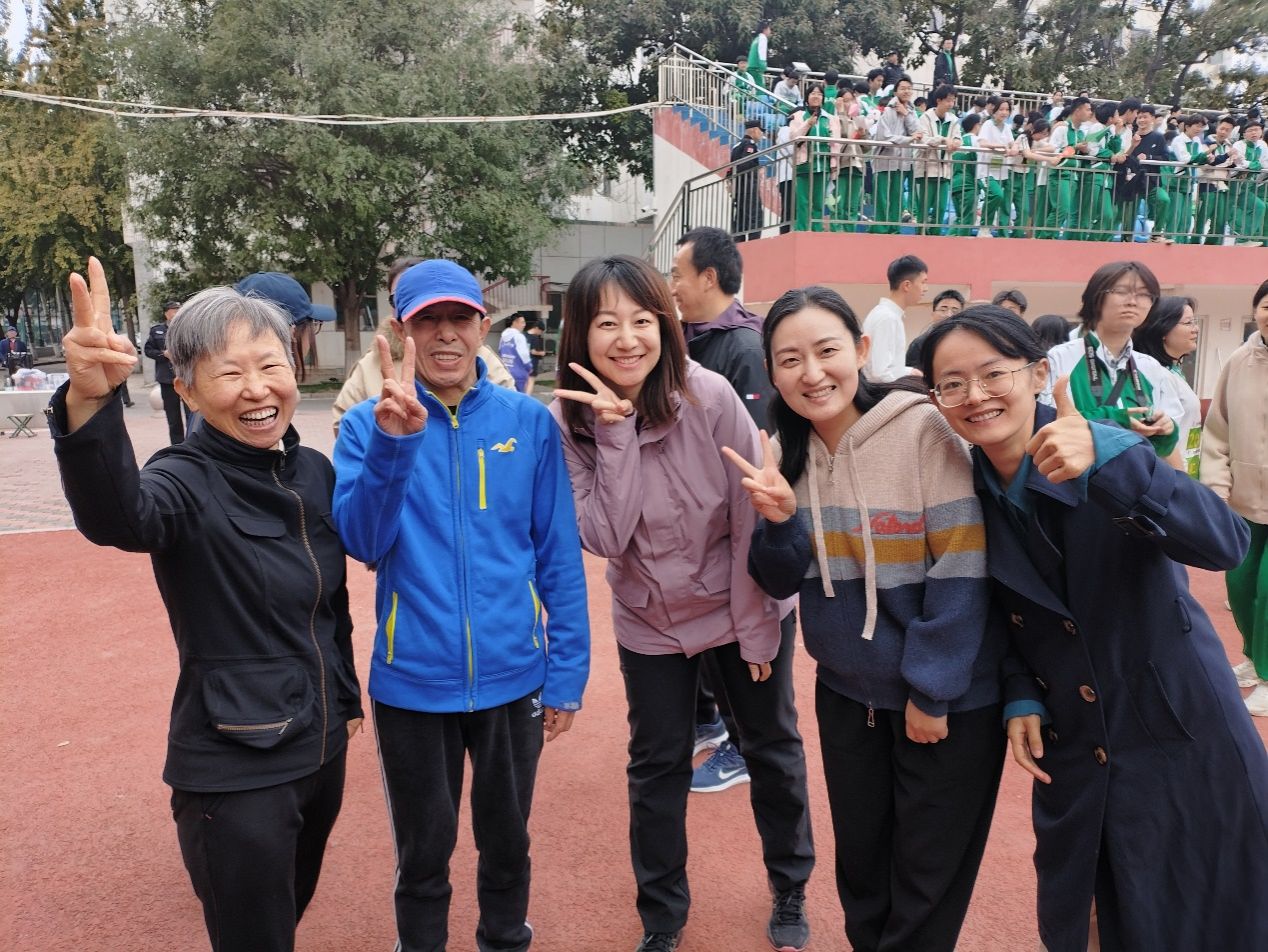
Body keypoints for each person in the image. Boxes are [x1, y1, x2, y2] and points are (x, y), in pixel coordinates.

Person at [918, 305, 1268, 952]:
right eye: (953, 384)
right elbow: (1001, 608)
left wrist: (1112, 461)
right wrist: (1020, 690)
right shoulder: (965, 489)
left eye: (993, 373)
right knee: (1089, 911)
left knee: (1209, 912)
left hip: (1178, 726)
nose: (976, 395)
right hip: (1076, 740)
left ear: (1038, 374)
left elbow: (1226, 543)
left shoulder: (1104, 449)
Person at [52, 258, 364, 952]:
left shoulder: (311, 471)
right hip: (236, 768)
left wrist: (345, 702)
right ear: (187, 390)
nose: (257, 389)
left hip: (320, 750)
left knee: (286, 917)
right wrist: (90, 403)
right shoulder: (185, 479)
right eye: (229, 373)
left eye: (270, 364)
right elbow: (120, 517)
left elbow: (330, 606)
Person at [550, 255, 814, 952]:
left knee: (772, 748)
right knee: (656, 767)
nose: (627, 339)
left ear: (666, 326)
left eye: (642, 319)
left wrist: (755, 631)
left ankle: (791, 883)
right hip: (651, 620)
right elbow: (605, 536)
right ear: (580, 334)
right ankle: (662, 915)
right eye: (606, 323)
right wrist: (614, 434)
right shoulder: (569, 422)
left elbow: (749, 520)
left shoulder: (710, 395)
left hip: (739, 604)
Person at [733, 286, 1005, 952]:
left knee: (926, 881)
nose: (812, 373)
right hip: (847, 697)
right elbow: (777, 580)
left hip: (942, 700)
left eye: (827, 350)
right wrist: (778, 523)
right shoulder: (784, 454)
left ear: (859, 350)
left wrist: (932, 691)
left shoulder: (923, 429)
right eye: (790, 359)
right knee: (862, 871)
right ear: (772, 372)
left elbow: (963, 563)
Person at [332, 258, 590, 952]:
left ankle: (505, 939)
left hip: (514, 676)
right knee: (424, 851)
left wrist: (566, 673)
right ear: (403, 330)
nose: (446, 334)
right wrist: (395, 445)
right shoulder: (366, 428)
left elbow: (557, 555)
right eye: (429, 321)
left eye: (459, 318)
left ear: (483, 324)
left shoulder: (527, 423)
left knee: (507, 840)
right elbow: (362, 541)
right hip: (413, 681)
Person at [670, 228, 809, 796]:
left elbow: (755, 449)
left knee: (749, 637)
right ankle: (711, 720)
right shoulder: (687, 340)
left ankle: (741, 743)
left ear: (709, 277)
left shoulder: (744, 348)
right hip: (696, 524)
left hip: (739, 520)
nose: (672, 286)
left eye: (677, 274)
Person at [331, 256, 514, 434]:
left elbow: (511, 418)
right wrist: (387, 437)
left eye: (460, 317)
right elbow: (346, 428)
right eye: (398, 298)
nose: (447, 335)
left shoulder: (482, 359)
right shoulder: (370, 366)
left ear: (482, 330)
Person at [1203, 279, 1268, 714]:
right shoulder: (1239, 361)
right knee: (1240, 587)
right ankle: (1252, 657)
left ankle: (1267, 674)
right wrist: (1216, 486)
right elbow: (1216, 430)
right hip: (1246, 501)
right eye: (1266, 305)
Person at [1043, 261, 1182, 459]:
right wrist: (1116, 420)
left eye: (1144, 294)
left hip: (1137, 477)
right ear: (1096, 297)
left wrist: (1167, 430)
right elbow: (1047, 425)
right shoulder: (1060, 359)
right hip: (1077, 476)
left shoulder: (1151, 368)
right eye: (1121, 291)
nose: (1133, 301)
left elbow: (1164, 450)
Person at [1132, 295, 1202, 475]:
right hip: (1173, 478)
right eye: (1188, 323)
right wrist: (1183, 483)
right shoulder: (1157, 376)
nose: (1196, 329)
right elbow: (1161, 436)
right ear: (1163, 330)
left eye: (1194, 322)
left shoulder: (1173, 372)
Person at [870, 79, 922, 234]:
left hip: (902, 162)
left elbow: (918, 132)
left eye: (909, 88)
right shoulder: (888, 111)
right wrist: (908, 140)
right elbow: (884, 137)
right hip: (884, 160)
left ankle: (894, 229)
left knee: (897, 197)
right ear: (896, 92)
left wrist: (906, 114)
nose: (906, 91)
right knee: (882, 197)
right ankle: (880, 229)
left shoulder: (911, 112)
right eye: (903, 88)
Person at [863, 254, 926, 382]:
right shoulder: (887, 318)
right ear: (907, 285)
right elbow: (880, 373)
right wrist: (910, 373)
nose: (926, 289)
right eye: (923, 282)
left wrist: (908, 371)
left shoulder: (887, 315)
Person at [789, 85, 842, 232]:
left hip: (822, 165)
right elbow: (793, 138)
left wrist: (833, 162)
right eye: (813, 93)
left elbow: (836, 142)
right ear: (807, 98)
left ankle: (816, 230)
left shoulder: (830, 118)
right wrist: (808, 124)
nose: (816, 96)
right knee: (803, 201)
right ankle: (802, 230)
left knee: (818, 202)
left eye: (819, 94)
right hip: (804, 165)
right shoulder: (798, 116)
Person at [914, 85, 962, 235]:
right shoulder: (925, 118)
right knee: (924, 207)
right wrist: (943, 139)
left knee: (940, 208)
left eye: (953, 101)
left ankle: (935, 236)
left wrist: (955, 143)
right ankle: (920, 235)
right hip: (926, 170)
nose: (951, 104)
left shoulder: (953, 120)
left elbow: (958, 139)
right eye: (948, 100)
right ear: (938, 100)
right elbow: (924, 140)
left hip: (944, 171)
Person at [144, 299, 190, 444]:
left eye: (179, 310)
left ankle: (192, 445)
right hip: (167, 380)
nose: (177, 313)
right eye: (174, 310)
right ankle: (178, 446)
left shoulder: (188, 329)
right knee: (173, 417)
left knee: (192, 415)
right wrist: (163, 354)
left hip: (187, 378)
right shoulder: (157, 330)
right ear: (166, 313)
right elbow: (148, 350)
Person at [1165, 115, 1208, 243]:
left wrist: (1207, 158)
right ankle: (1170, 241)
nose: (1199, 129)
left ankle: (1182, 244)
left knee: (1186, 219)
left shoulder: (1197, 141)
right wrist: (1205, 155)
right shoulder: (1178, 140)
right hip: (1176, 183)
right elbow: (1185, 159)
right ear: (1187, 127)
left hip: (1189, 183)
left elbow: (1200, 158)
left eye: (1201, 127)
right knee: (1174, 217)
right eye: (1197, 126)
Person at [1195, 115, 1237, 244]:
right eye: (1222, 128)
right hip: (1207, 183)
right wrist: (1225, 158)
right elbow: (1207, 164)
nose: (1223, 132)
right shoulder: (1206, 143)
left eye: (1227, 130)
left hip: (1222, 184)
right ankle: (1193, 243)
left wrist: (1231, 163)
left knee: (1219, 221)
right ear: (1217, 127)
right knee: (1202, 218)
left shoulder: (1229, 146)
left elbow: (1229, 165)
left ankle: (1211, 246)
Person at [1230, 118, 1268, 246]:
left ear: (1261, 132)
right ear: (1244, 134)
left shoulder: (1262, 145)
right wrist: (1253, 165)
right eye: (1250, 130)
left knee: (1259, 207)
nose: (1254, 133)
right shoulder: (1238, 145)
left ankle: (1243, 238)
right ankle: (1241, 238)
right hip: (1236, 185)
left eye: (1257, 130)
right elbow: (1240, 162)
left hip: (1249, 185)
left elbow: (1264, 164)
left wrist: (1254, 165)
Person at [905, 288, 965, 368]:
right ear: (933, 314)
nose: (949, 315)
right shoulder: (919, 344)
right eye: (943, 310)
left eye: (955, 311)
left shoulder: (967, 343)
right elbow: (912, 373)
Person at [729, 119, 766, 241]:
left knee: (740, 219)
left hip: (739, 188)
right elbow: (745, 163)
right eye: (760, 131)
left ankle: (738, 245)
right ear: (754, 130)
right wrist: (758, 168)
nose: (761, 134)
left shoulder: (737, 145)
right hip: (749, 187)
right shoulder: (750, 144)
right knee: (755, 218)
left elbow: (731, 168)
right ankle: (754, 246)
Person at [949, 113, 983, 235]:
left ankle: (948, 240)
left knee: (959, 218)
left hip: (955, 184)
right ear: (976, 125)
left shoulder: (958, 141)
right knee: (967, 219)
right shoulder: (976, 141)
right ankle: (961, 244)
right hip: (968, 185)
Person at [498, 313, 534, 392]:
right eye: (522, 322)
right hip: (519, 374)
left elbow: (500, 352)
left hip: (506, 373)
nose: (524, 325)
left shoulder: (503, 337)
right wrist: (529, 367)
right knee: (519, 397)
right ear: (515, 322)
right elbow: (524, 355)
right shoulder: (519, 336)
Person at [747, 20, 772, 90]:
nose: (770, 31)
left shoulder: (757, 38)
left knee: (753, 87)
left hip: (751, 65)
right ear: (765, 30)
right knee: (759, 89)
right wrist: (763, 65)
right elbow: (762, 52)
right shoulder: (763, 38)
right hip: (757, 67)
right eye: (769, 29)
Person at [526, 318, 547, 395]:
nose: (540, 333)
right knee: (531, 381)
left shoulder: (524, 335)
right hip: (532, 362)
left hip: (523, 362)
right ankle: (527, 398)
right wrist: (541, 353)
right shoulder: (534, 338)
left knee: (524, 382)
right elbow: (533, 351)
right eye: (540, 331)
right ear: (537, 328)